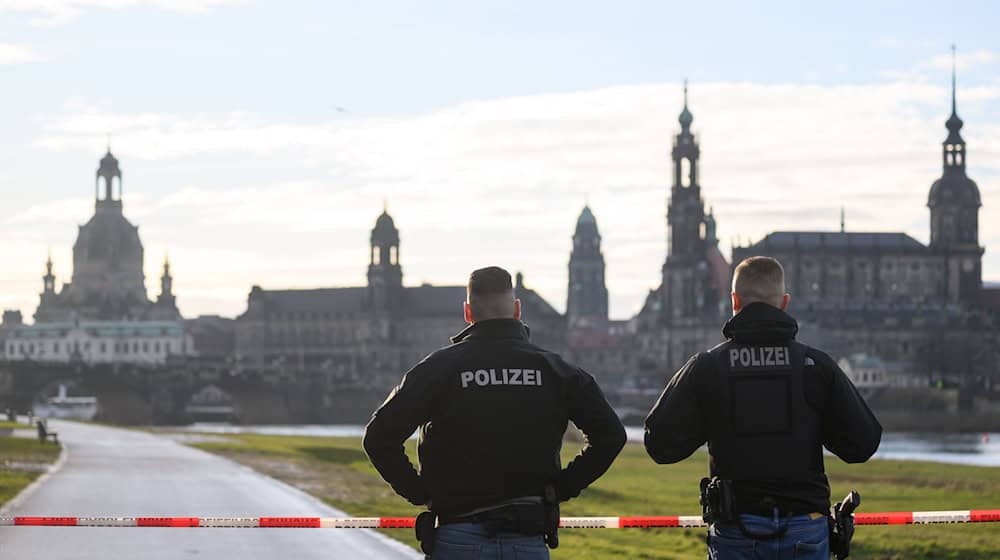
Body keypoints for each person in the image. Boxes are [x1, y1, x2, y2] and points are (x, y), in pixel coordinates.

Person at [364, 266, 626, 559]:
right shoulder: (556, 370)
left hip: (458, 534)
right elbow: (611, 436)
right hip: (527, 537)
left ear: (467, 312)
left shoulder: (437, 369)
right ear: (516, 310)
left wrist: (419, 492)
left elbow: (378, 438)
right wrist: (561, 488)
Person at [644, 256, 882, 559]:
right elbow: (863, 444)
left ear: (734, 301)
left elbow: (659, 443)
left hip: (737, 528)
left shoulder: (708, 367)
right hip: (805, 525)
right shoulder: (815, 366)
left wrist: (706, 423)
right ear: (783, 303)